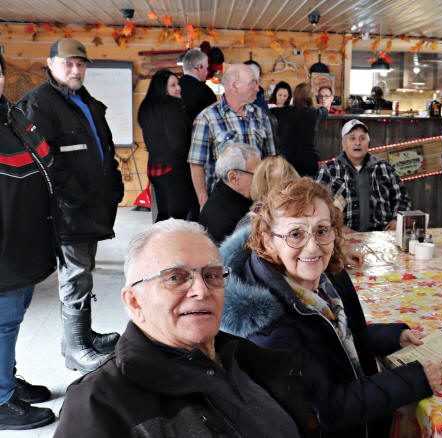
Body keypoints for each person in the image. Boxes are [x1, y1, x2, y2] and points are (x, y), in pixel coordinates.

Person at [219, 178, 441, 437]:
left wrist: (394, 337)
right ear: (268, 241)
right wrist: (415, 379)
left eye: (321, 230)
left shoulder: (330, 276)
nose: (312, 246)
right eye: (295, 234)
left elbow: (340, 339)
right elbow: (331, 408)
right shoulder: (268, 324)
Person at [54, 220, 308, 437]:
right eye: (175, 277)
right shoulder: (98, 405)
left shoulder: (249, 358)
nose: (201, 290)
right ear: (133, 301)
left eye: (212, 275)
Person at [19, 38, 123, 373]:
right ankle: (76, 349)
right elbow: (43, 158)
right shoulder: (39, 103)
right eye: (68, 64)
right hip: (68, 208)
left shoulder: (83, 101)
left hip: (91, 206)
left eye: (80, 64)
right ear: (50, 65)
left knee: (84, 274)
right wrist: (72, 195)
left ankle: (81, 336)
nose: (76, 70)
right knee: (76, 275)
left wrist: (115, 182)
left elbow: (102, 147)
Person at [0, 53, 57, 430]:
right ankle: (1, 400)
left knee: (11, 320)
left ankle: (6, 380)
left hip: (24, 243)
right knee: (3, 323)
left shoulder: (13, 115)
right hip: (4, 249)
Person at [188, 63, 275, 210]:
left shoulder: (261, 116)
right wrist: (203, 202)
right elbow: (196, 164)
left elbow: (271, 159)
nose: (257, 88)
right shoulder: (207, 118)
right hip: (222, 203)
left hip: (257, 202)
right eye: (253, 82)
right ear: (235, 86)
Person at [317, 119, 411, 232]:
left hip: (381, 237)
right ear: (343, 144)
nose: (358, 143)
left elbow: (402, 198)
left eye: (362, 138)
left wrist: (397, 220)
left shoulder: (384, 167)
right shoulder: (329, 170)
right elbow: (318, 204)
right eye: (352, 138)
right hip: (343, 235)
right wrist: (337, 227)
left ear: (368, 143)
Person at [138, 69, 199, 222]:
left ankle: (159, 243)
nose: (178, 88)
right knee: (178, 217)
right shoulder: (172, 107)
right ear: (163, 89)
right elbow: (177, 143)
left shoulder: (147, 108)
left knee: (164, 214)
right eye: (173, 85)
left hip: (155, 168)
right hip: (174, 170)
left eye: (178, 84)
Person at [199, 142, 260, 244]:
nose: (261, 179)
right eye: (257, 174)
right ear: (233, 177)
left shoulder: (224, 192)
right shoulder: (223, 222)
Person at [271, 82, 324, 177]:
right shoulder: (315, 113)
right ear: (311, 97)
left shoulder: (281, 111)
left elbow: (270, 111)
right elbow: (324, 110)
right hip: (309, 161)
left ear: (294, 96)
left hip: (287, 162)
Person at [178, 49, 217, 123]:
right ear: (199, 67)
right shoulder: (205, 92)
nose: (207, 72)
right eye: (206, 68)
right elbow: (213, 121)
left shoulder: (174, 88)